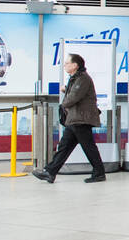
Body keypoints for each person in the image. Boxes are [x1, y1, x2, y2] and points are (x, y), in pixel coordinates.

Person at [32, 52, 106, 184]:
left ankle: (99, 172)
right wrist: (66, 90)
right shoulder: (76, 78)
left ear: (75, 65)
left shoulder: (83, 78)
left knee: (88, 147)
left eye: (67, 63)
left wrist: (63, 103)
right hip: (75, 118)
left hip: (81, 119)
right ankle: (50, 172)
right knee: (64, 147)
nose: (65, 66)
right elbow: (75, 92)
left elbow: (74, 97)